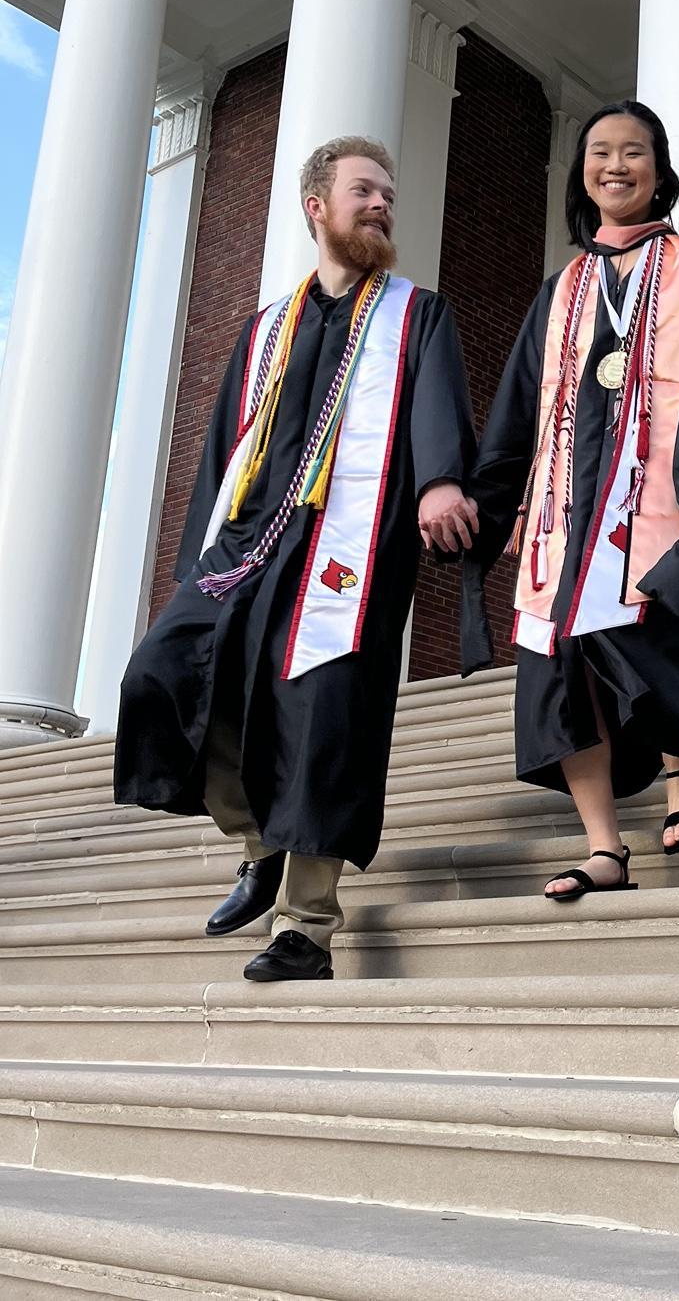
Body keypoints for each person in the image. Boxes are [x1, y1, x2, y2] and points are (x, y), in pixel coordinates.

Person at [114, 135, 479, 980]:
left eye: (388, 191)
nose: (382, 202)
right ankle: (257, 841)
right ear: (318, 207)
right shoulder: (265, 329)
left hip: (345, 548)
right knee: (160, 677)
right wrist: (193, 570)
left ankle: (305, 930)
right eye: (364, 190)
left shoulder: (416, 315)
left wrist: (440, 483)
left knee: (321, 718)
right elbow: (223, 447)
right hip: (247, 543)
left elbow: (435, 405)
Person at [463, 100, 679, 899]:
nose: (616, 165)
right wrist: (481, 508)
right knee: (563, 671)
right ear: (582, 173)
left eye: (634, 152)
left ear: (659, 172)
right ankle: (604, 849)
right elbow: (516, 410)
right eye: (600, 152)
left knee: (628, 637)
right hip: (565, 514)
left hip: (655, 505)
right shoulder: (559, 291)